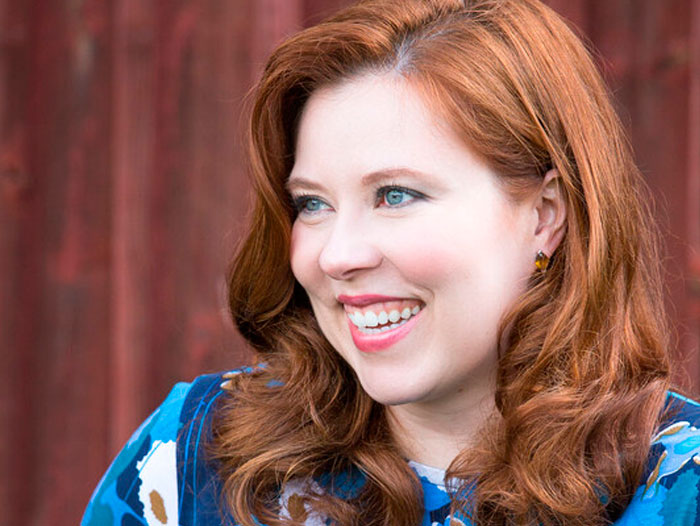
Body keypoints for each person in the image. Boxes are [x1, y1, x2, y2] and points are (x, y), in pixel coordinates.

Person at [82, 0, 700, 525]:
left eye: (395, 195)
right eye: (312, 204)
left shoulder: (678, 491)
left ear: (544, 216)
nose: (338, 255)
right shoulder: (193, 461)